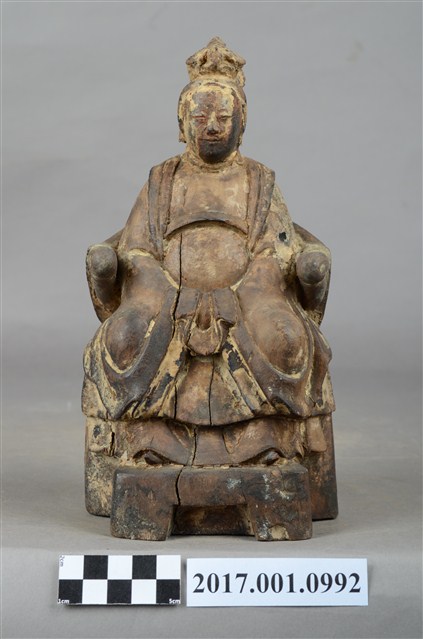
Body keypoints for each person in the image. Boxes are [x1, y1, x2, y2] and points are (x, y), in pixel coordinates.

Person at [83, 37, 335, 476]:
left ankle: (275, 440)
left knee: (287, 340)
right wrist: (173, 294)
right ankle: (142, 441)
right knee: (123, 338)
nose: (212, 127)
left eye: (223, 117)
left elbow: (274, 251)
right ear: (183, 123)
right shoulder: (162, 180)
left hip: (251, 296)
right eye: (200, 117)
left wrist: (236, 295)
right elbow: (138, 249)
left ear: (242, 122)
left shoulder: (259, 181)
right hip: (164, 295)